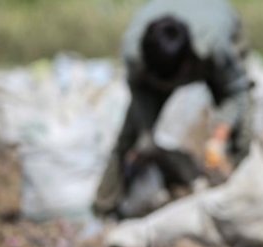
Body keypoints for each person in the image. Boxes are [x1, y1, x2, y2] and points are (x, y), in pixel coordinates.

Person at [94, 0, 253, 217]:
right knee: (132, 138)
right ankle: (104, 207)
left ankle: (242, 199)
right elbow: (139, 96)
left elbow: (236, 91)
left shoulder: (215, 46)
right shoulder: (134, 54)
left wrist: (219, 137)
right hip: (158, 65)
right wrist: (145, 137)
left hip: (216, 27)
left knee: (242, 130)